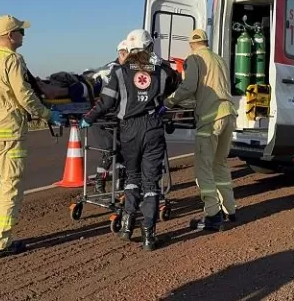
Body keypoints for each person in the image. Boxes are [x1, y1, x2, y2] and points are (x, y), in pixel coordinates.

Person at [0, 14, 65, 259]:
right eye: (21, 32)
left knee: (5, 179)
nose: (24, 35)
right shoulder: (13, 59)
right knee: (13, 184)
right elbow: (23, 95)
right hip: (8, 130)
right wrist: (47, 114)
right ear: (11, 35)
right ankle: (1, 242)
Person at [80, 29, 178, 251]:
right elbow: (174, 87)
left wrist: (88, 118)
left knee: (132, 177)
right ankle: (149, 237)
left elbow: (105, 103)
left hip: (129, 130)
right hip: (153, 128)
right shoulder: (162, 72)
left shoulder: (119, 73)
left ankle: (126, 225)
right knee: (151, 183)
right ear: (149, 48)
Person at [164, 29, 238, 231]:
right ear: (206, 42)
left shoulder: (194, 58)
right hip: (229, 114)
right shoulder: (220, 60)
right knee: (220, 164)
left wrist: (168, 102)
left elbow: (188, 87)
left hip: (210, 119)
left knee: (203, 169)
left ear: (191, 44)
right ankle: (229, 210)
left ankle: (213, 216)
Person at [90, 39, 130, 194]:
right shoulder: (112, 70)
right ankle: (100, 181)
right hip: (102, 117)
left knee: (121, 150)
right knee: (109, 150)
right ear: (121, 54)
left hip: (115, 117)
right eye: (125, 54)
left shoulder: (124, 70)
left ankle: (120, 183)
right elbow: (105, 97)